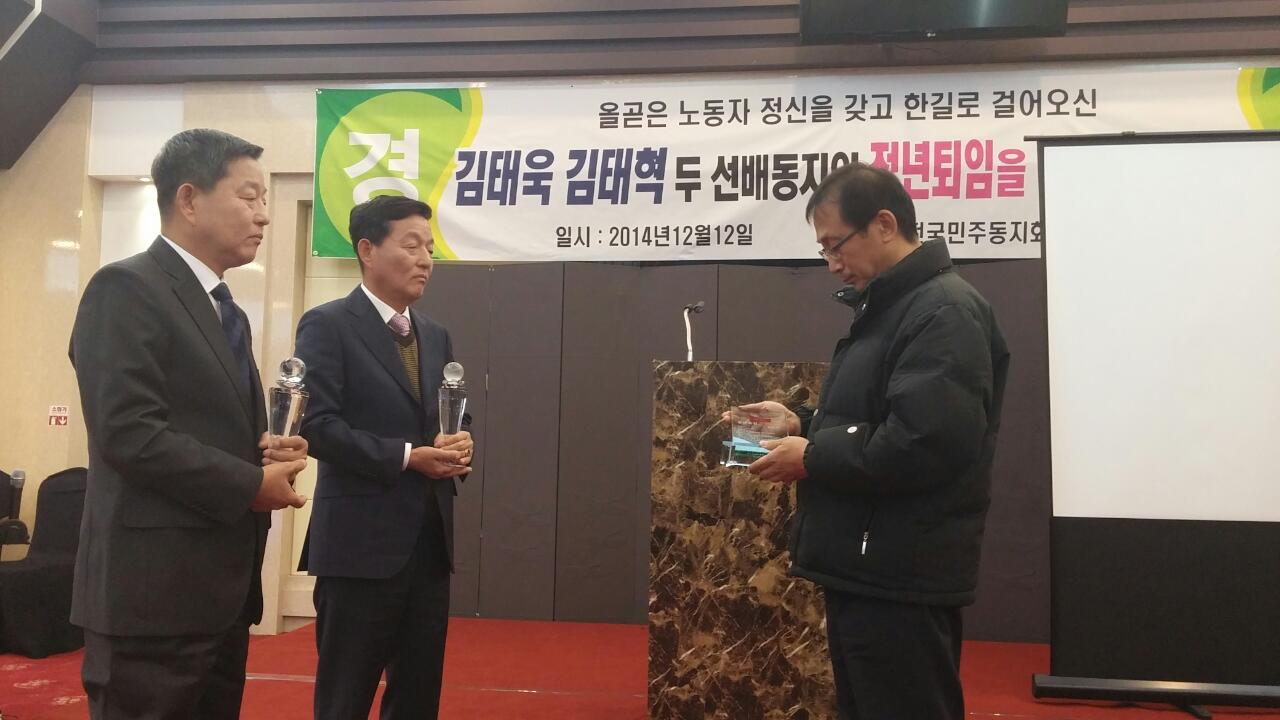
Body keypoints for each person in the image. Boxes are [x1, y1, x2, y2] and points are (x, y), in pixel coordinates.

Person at [740, 162, 1010, 720]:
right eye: (823, 250)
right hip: (869, 566)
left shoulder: (944, 312)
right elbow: (873, 420)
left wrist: (813, 457)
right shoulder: (893, 307)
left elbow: (923, 442)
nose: (831, 263)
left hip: (901, 574)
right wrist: (801, 424)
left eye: (835, 244)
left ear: (884, 224)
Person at [69, 128, 309, 719]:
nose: (264, 215)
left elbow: (203, 426)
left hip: (219, 598)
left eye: (265, 200)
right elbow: (128, 431)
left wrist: (264, 453)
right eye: (249, 197)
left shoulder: (224, 308)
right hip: (151, 601)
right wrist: (249, 484)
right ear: (189, 199)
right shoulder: (127, 287)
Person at [294, 195, 473, 720]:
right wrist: (406, 457)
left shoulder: (435, 334)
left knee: (418, 696)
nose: (426, 260)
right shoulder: (327, 324)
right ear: (367, 250)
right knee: (345, 697)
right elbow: (316, 425)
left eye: (431, 249)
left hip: (429, 546)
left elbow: (451, 416)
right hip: (358, 548)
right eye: (412, 246)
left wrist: (461, 442)